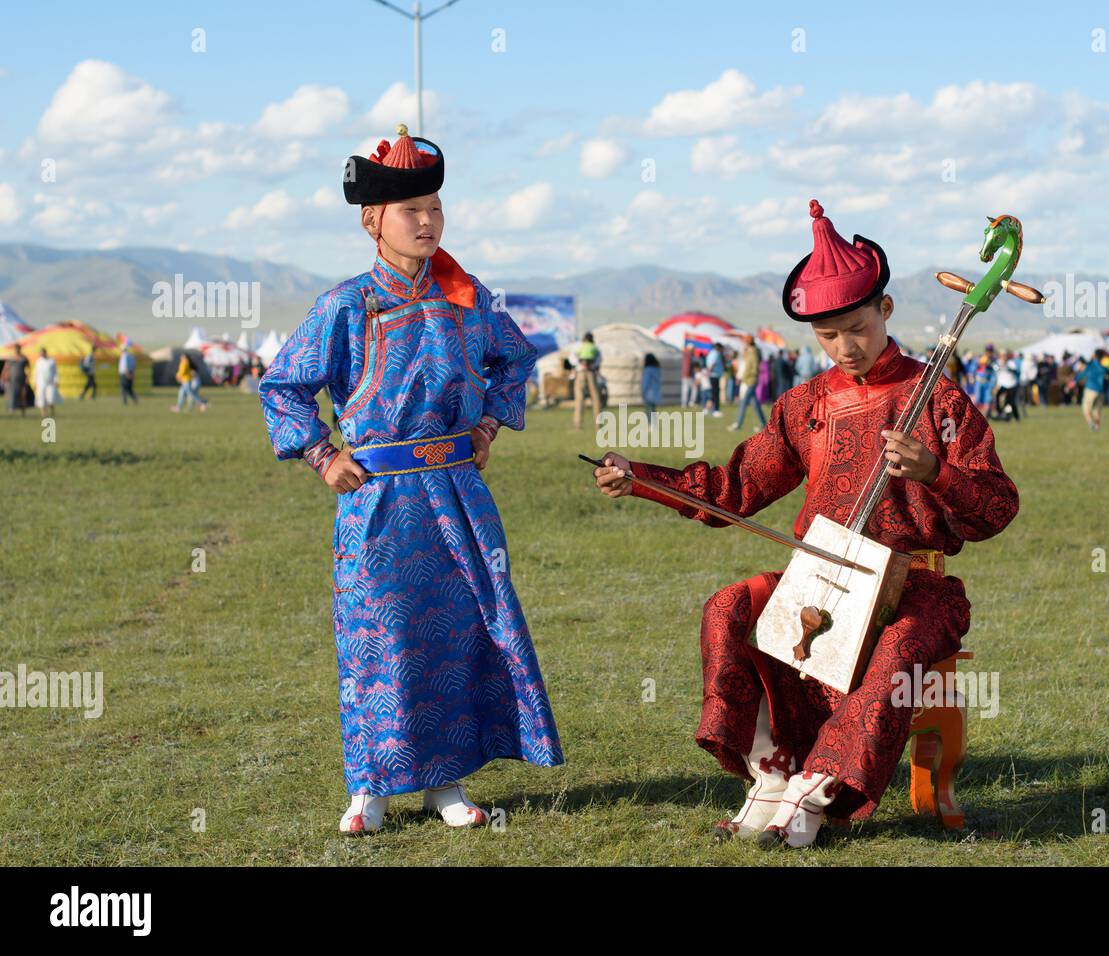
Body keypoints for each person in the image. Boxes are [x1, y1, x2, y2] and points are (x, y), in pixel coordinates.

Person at [592, 199, 1018, 849]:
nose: (845, 347)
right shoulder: (806, 405)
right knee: (730, 606)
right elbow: (733, 488)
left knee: (896, 645)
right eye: (828, 336)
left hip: (919, 588)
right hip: (819, 580)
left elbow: (996, 506)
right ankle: (772, 770)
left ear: (886, 310)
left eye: (856, 327)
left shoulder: (940, 399)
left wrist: (933, 469)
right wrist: (643, 479)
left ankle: (818, 789)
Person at [258, 123, 562, 835]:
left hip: (459, 496)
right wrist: (322, 456)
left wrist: (486, 428)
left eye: (435, 208)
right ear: (373, 221)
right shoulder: (347, 305)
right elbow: (283, 387)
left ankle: (444, 782)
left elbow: (515, 361)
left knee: (457, 635)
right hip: (380, 501)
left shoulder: (468, 298)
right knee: (380, 634)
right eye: (410, 211)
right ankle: (369, 785)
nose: (427, 222)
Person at [729, 334, 766, 432]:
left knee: (743, 403)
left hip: (750, 380)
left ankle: (738, 424)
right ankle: (764, 424)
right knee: (755, 404)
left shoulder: (752, 352)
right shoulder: (749, 351)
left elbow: (753, 368)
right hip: (749, 379)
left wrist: (744, 377)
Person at [1070, 348, 1108, 431]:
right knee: (1096, 411)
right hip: (1101, 391)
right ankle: (1097, 428)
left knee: (1086, 409)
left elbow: (1082, 374)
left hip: (1090, 389)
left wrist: (1074, 382)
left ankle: (1091, 423)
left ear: (1094, 355)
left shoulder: (1090, 366)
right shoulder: (1104, 368)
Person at [572, 331, 602, 428]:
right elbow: (599, 360)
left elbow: (573, 359)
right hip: (591, 372)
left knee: (579, 398)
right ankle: (598, 424)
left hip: (580, 372)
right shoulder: (595, 348)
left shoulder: (580, 347)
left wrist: (581, 364)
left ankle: (578, 424)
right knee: (595, 398)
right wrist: (590, 365)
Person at [33, 347, 61, 417]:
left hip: (50, 383)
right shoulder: (38, 361)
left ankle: (52, 413)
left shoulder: (51, 361)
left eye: (43, 352)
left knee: (50, 398)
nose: (41, 354)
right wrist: (35, 382)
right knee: (41, 399)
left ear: (45, 352)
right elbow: (36, 373)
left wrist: (56, 380)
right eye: (40, 352)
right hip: (41, 383)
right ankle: (43, 414)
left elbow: (55, 372)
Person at [6, 352, 29, 416]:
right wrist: (6, 376)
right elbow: (7, 367)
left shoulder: (24, 358)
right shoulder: (11, 358)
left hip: (22, 380)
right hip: (13, 381)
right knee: (12, 395)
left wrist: (27, 377)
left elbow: (28, 368)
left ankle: (23, 411)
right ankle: (11, 410)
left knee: (23, 396)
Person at [705, 341, 725, 417]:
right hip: (714, 375)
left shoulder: (711, 353)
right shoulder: (716, 354)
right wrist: (709, 372)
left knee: (713, 393)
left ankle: (707, 409)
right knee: (715, 394)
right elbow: (712, 364)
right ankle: (716, 410)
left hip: (713, 375)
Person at [641, 352, 661, 422]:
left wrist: (643, 390)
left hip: (648, 392)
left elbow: (646, 381)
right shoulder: (657, 369)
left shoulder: (648, 369)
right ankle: (654, 423)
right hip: (656, 391)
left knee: (648, 409)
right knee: (653, 409)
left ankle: (650, 424)